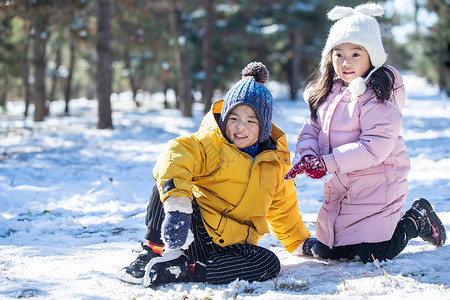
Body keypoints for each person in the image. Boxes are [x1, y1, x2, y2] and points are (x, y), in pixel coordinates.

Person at [117, 62, 314, 287]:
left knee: (269, 263)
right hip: (188, 230)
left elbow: (284, 211)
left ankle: (183, 271)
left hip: (230, 246)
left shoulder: (275, 164)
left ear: (265, 127)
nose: (241, 127)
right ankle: (153, 253)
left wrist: (302, 243)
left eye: (251, 121)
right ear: (224, 119)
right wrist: (179, 205)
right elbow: (176, 154)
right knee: (169, 181)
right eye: (234, 119)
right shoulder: (210, 145)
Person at [284, 3, 446, 263]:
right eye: (338, 54)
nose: (345, 62)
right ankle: (344, 240)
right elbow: (311, 129)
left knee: (373, 254)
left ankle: (417, 218)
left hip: (378, 186)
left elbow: (375, 147)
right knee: (330, 253)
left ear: (372, 55)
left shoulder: (379, 93)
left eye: (356, 54)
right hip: (342, 192)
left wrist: (326, 162)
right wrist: (307, 155)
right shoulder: (328, 91)